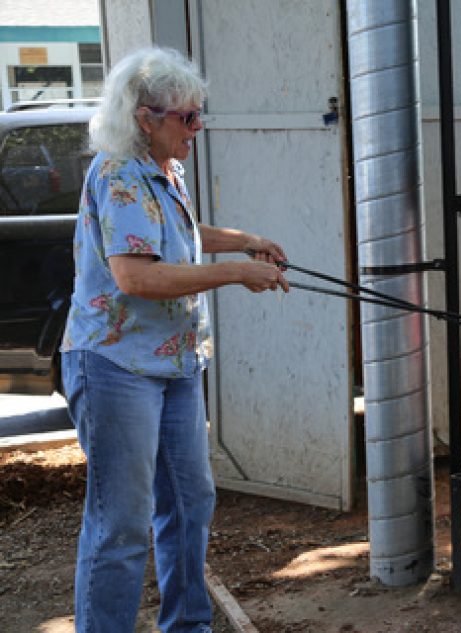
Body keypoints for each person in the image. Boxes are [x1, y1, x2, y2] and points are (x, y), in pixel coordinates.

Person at [60, 47, 289, 632]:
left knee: (191, 503)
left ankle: (188, 625)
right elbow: (136, 276)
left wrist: (244, 240)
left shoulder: (165, 167)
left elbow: (177, 233)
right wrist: (238, 272)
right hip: (115, 367)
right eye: (186, 117)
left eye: (199, 113)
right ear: (145, 118)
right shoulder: (117, 173)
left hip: (174, 365)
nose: (198, 127)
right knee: (122, 521)